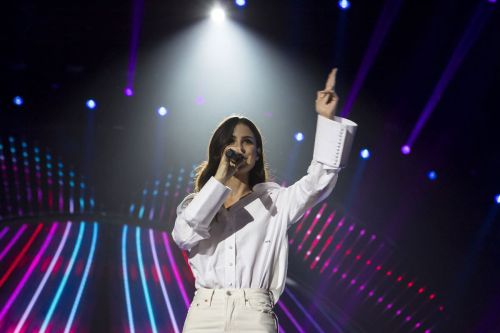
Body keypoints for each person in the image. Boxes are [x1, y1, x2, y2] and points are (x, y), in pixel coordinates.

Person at [172, 68, 357, 332]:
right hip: (205, 313)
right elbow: (184, 236)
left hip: (254, 313)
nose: (239, 148)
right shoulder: (195, 205)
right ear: (219, 153)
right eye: (231, 142)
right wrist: (221, 177)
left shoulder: (276, 203)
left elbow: (319, 181)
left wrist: (326, 120)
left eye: (247, 142)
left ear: (257, 154)